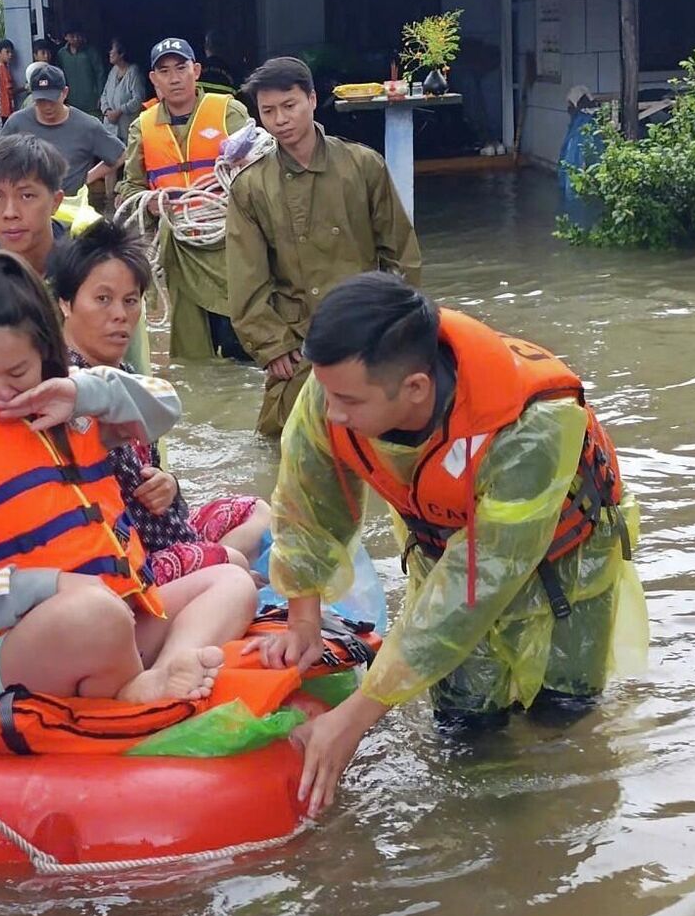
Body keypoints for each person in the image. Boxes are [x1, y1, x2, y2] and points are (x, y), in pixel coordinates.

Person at [258, 274, 645, 816]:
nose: (331, 413)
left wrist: (356, 716)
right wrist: (303, 620)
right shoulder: (335, 390)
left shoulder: (532, 425)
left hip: (566, 561)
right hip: (445, 545)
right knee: (466, 727)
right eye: (326, 393)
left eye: (347, 400)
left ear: (415, 388)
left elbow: (481, 581)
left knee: (562, 717)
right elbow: (305, 504)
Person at [0, 251, 258, 703]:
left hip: (110, 618)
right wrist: (50, 586)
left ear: (44, 353)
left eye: (17, 372)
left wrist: (84, 391)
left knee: (232, 582)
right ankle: (137, 689)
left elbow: (164, 406)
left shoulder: (67, 404)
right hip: (1, 644)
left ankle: (161, 677)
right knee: (96, 615)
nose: (0, 392)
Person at [47, 220, 272, 586]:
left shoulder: (128, 375)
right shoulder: (64, 388)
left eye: (130, 300)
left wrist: (169, 486)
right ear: (66, 303)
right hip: (126, 556)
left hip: (163, 533)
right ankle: (219, 581)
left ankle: (216, 578)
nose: (120, 314)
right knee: (234, 565)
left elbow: (154, 483)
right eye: (103, 299)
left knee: (257, 512)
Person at [226, 56, 422, 437]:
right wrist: (272, 345)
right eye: (268, 111)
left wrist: (396, 328)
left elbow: (400, 256)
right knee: (282, 439)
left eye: (289, 105)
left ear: (313, 100)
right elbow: (246, 280)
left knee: (385, 437)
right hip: (298, 342)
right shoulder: (250, 188)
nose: (280, 119)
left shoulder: (363, 166)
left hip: (366, 330)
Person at [0, 135, 150, 370]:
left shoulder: (96, 263)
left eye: (27, 196)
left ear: (56, 201)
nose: (10, 213)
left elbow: (136, 368)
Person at [116, 36, 252, 363]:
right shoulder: (142, 126)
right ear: (153, 79)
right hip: (178, 246)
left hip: (231, 243)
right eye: (164, 71)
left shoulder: (228, 111)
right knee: (192, 352)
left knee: (242, 342)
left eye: (181, 68)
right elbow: (130, 189)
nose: (174, 78)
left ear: (197, 70)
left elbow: (257, 172)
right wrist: (149, 204)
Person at [0, 63, 126, 197]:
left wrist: (86, 179)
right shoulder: (17, 123)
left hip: (70, 202)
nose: (47, 107)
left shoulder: (87, 125)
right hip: (28, 201)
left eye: (52, 100)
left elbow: (120, 154)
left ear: (64, 93)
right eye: (41, 100)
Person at [100, 38, 147, 130]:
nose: (110, 52)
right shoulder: (113, 71)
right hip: (109, 129)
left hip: (127, 128)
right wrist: (107, 110)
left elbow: (138, 99)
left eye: (112, 49)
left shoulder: (134, 72)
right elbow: (104, 94)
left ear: (121, 53)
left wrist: (120, 111)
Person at [57, 25, 105, 115]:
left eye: (78, 35)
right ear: (65, 37)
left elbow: (100, 74)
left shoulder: (91, 52)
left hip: (92, 103)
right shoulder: (61, 54)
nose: (76, 39)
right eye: (72, 36)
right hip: (71, 103)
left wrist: (101, 96)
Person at [0, 38, 18, 123]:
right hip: (5, 109)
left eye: (11, 52)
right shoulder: (2, 68)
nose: (10, 55)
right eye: (7, 52)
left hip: (0, 109)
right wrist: (24, 88)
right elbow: (9, 90)